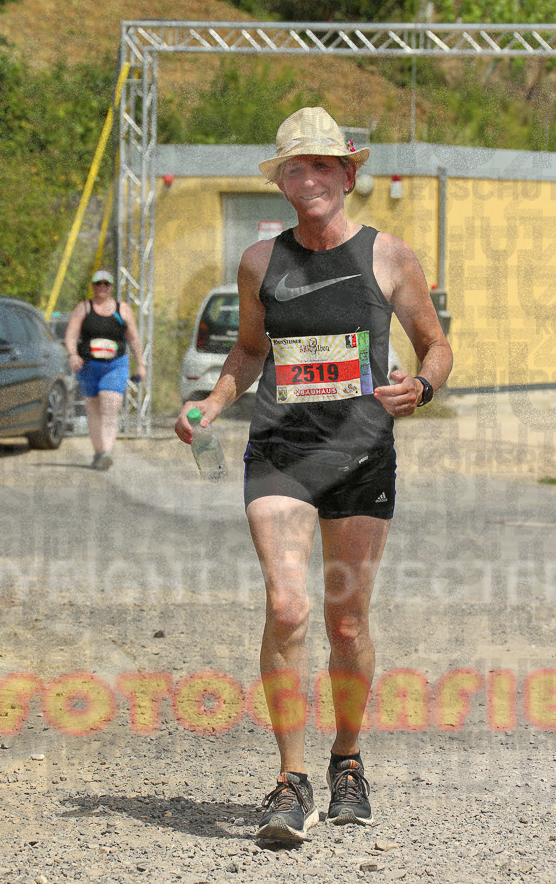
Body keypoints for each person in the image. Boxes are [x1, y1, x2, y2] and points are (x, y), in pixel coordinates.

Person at [175, 107, 453, 842]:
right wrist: (208, 405)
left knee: (346, 620)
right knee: (288, 607)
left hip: (361, 457)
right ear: (282, 182)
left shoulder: (388, 255)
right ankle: (287, 780)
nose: (308, 180)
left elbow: (434, 346)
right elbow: (246, 353)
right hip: (280, 452)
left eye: (321, 167)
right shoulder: (260, 262)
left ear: (347, 175)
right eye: (294, 168)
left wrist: (419, 389)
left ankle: (347, 760)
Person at [66, 269, 146, 470]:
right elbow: (71, 335)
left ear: (111, 287)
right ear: (93, 286)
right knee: (93, 410)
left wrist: (141, 364)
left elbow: (134, 338)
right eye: (98, 284)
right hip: (88, 366)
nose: (102, 288)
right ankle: (99, 451)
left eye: (106, 284)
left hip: (115, 365)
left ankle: (107, 451)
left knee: (110, 407)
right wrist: (73, 354)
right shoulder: (83, 308)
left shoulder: (123, 309)